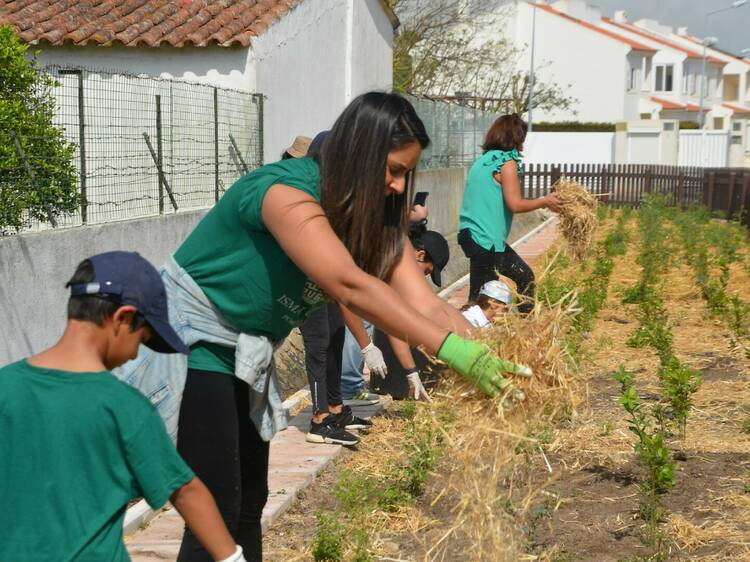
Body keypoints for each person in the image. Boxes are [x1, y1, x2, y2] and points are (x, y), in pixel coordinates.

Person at [117, 92, 531, 562]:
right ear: (359, 152)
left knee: (249, 504)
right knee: (215, 507)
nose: (398, 186)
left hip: (246, 348)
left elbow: (426, 305)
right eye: (392, 170)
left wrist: (486, 350)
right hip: (190, 339)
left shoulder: (370, 218)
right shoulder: (283, 192)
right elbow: (347, 284)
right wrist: (451, 350)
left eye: (404, 173)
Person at [0, 252, 248, 562]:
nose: (134, 356)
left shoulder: (5, 387)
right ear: (122, 318)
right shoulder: (124, 406)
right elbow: (186, 492)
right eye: (141, 340)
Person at [458, 114, 563, 312]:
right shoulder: (506, 163)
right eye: (521, 140)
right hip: (486, 241)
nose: (522, 147)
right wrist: (545, 201)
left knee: (522, 278)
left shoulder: (484, 161)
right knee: (482, 301)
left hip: (475, 236)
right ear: (514, 138)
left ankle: (522, 331)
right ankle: (465, 336)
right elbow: (515, 204)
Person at [369, 227, 451, 402]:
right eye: (426, 272)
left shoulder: (394, 260)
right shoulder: (388, 267)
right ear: (420, 255)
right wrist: (365, 346)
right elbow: (392, 324)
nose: (423, 278)